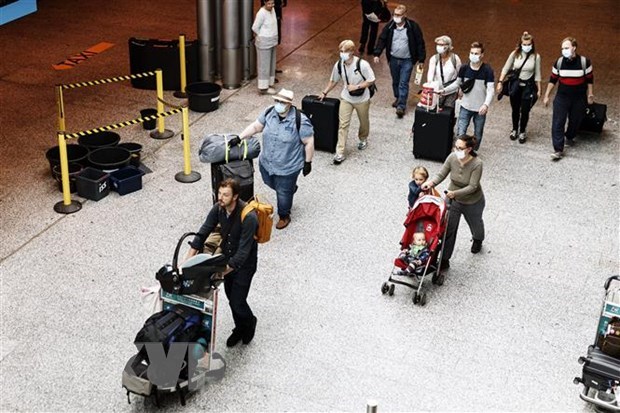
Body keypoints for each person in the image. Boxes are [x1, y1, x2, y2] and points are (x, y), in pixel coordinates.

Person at [186, 179, 259, 348]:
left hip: (244, 266)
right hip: (227, 260)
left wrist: (221, 272)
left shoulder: (248, 217)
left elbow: (243, 253)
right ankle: (239, 328)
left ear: (235, 196)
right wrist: (187, 261)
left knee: (237, 301)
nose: (220, 197)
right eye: (219, 193)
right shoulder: (219, 208)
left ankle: (249, 323)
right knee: (230, 296)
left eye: (225, 195)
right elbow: (203, 232)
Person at [233, 88, 314, 230]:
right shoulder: (269, 112)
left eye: (282, 102)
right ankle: (289, 189)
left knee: (282, 195)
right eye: (277, 100)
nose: (278, 104)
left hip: (288, 167)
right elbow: (256, 126)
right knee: (269, 181)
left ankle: (284, 215)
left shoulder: (300, 120)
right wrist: (239, 137)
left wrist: (308, 162)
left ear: (289, 104)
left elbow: (309, 142)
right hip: (267, 163)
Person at [421, 135, 485, 268]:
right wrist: (431, 183)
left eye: (460, 148)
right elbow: (442, 174)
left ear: (469, 149)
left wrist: (455, 193)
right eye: (456, 147)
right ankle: (444, 259)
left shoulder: (477, 164)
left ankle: (478, 239)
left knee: (476, 223)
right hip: (453, 200)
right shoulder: (452, 157)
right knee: (448, 229)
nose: (457, 150)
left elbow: (472, 186)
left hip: (472, 201)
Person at [319, 39, 376, 165]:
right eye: (340, 51)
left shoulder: (363, 64)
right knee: (343, 124)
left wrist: (357, 87)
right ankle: (340, 152)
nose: (341, 54)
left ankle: (363, 138)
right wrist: (325, 92)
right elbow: (333, 80)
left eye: (344, 51)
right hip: (346, 98)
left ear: (351, 52)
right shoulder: (339, 65)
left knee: (363, 121)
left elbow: (371, 80)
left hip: (362, 99)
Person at [543, 36, 594, 161]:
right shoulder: (559, 63)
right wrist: (547, 95)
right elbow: (553, 79)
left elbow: (589, 79)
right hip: (562, 97)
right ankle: (558, 149)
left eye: (567, 48)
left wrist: (590, 94)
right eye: (562, 48)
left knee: (575, 120)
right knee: (558, 122)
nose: (564, 50)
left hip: (579, 97)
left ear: (574, 48)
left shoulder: (584, 62)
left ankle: (570, 136)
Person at [373, 4, 426, 118]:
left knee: (403, 83)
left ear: (404, 15)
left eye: (398, 15)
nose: (396, 17)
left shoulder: (413, 27)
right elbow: (382, 39)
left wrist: (421, 59)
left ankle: (401, 105)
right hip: (393, 59)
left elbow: (419, 43)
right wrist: (377, 53)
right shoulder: (390, 26)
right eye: (394, 14)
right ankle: (398, 97)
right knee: (396, 81)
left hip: (407, 60)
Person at [440, 42, 494, 150]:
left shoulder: (487, 70)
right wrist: (444, 90)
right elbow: (457, 83)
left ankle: (473, 151)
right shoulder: (464, 68)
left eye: (476, 53)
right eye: (472, 53)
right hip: (465, 106)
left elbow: (490, 89)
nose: (473, 55)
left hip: (480, 108)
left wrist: (486, 105)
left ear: (482, 55)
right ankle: (460, 151)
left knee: (478, 133)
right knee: (461, 131)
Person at [497, 31, 542, 144]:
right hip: (516, 85)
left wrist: (539, 89)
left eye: (528, 44)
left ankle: (522, 130)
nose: (526, 47)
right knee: (515, 109)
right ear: (521, 44)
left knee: (525, 110)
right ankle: (514, 129)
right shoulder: (515, 54)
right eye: (524, 44)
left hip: (528, 86)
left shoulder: (536, 57)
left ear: (532, 44)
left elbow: (537, 73)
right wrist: (500, 82)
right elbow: (506, 68)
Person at [426, 35, 461, 109]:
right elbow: (430, 75)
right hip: (438, 91)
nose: (439, 46)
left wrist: (460, 90)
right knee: (436, 111)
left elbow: (460, 76)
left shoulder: (455, 59)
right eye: (438, 44)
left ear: (448, 46)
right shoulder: (434, 59)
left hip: (451, 90)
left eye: (441, 45)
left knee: (448, 113)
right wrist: (431, 87)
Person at [253, 0, 278, 95]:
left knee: (271, 64)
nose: (271, 5)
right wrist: (262, 35)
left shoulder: (273, 10)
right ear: (264, 2)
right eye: (269, 4)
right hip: (264, 42)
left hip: (272, 41)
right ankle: (263, 87)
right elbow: (255, 27)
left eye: (273, 3)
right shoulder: (261, 13)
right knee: (264, 65)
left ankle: (269, 83)